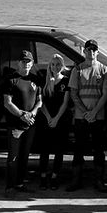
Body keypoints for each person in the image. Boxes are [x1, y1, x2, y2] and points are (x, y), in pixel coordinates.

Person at [67, 38, 107, 192]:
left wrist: (94, 112)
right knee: (78, 148)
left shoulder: (104, 70)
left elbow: (105, 95)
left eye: (94, 50)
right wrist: (86, 112)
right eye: (88, 49)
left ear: (97, 52)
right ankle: (75, 181)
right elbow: (73, 93)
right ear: (84, 51)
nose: (91, 52)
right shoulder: (77, 70)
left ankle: (99, 180)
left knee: (99, 150)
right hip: (81, 117)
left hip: (98, 117)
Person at [0, 50, 42, 197]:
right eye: (23, 61)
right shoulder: (11, 80)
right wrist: (22, 115)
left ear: (32, 63)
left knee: (25, 156)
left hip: (30, 124)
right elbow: (7, 103)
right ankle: (10, 186)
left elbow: (40, 101)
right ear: (19, 63)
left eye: (29, 61)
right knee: (13, 157)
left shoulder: (35, 80)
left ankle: (20, 183)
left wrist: (33, 113)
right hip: (15, 125)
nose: (26, 64)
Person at [35, 53, 72, 190]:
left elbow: (65, 103)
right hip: (46, 119)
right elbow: (41, 102)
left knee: (59, 150)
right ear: (49, 66)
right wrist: (49, 117)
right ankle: (43, 177)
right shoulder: (45, 81)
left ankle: (55, 177)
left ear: (62, 66)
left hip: (61, 120)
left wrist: (56, 118)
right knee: (44, 150)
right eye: (53, 64)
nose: (55, 67)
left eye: (58, 64)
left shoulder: (66, 81)